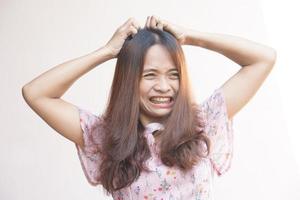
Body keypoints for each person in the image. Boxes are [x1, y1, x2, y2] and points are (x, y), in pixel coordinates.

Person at [22, 15, 276, 199]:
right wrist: (107, 52)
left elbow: (263, 59)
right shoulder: (106, 137)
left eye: (173, 74)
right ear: (130, 81)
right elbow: (36, 93)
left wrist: (190, 37)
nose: (164, 86)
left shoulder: (202, 123)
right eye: (151, 75)